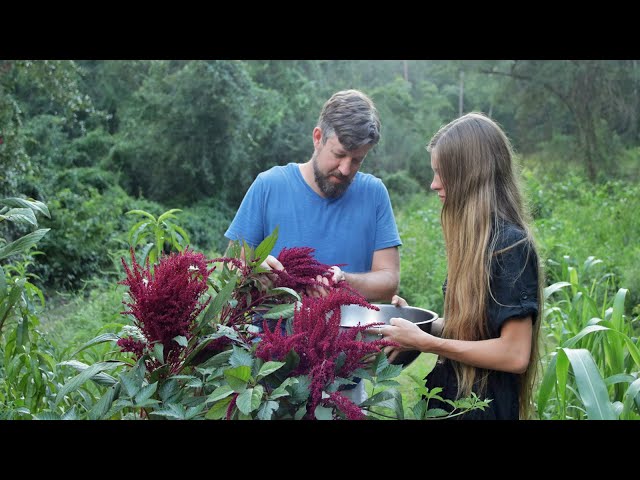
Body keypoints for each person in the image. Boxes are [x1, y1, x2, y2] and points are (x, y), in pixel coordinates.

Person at [224, 89, 402, 403]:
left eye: (357, 160)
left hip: (341, 376)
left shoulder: (374, 194)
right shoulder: (269, 186)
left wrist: (345, 282)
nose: (346, 169)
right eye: (339, 154)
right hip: (268, 375)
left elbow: (388, 282)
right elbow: (228, 268)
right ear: (317, 137)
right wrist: (253, 269)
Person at [379, 112, 542, 420]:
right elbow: (478, 332)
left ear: (470, 176)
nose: (433, 184)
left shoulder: (510, 246)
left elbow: (515, 353)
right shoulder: (475, 243)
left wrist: (428, 342)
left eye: (441, 173)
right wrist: (421, 326)